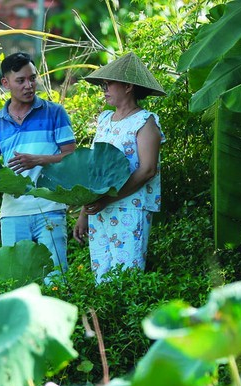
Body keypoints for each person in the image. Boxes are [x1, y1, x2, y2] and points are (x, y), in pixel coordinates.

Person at [0, 52, 76, 281]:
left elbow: (73, 157)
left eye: (32, 78)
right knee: (15, 281)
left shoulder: (55, 113)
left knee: (56, 278)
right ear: (6, 83)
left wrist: (38, 160)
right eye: (21, 80)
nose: (29, 85)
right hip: (12, 212)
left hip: (50, 208)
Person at [73, 52, 166, 283]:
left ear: (127, 86)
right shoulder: (104, 119)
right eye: (103, 85)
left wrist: (108, 199)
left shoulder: (145, 122)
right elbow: (95, 168)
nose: (104, 89)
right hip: (100, 210)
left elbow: (147, 170)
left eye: (108, 84)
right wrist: (85, 212)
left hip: (129, 207)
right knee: (101, 275)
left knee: (126, 276)